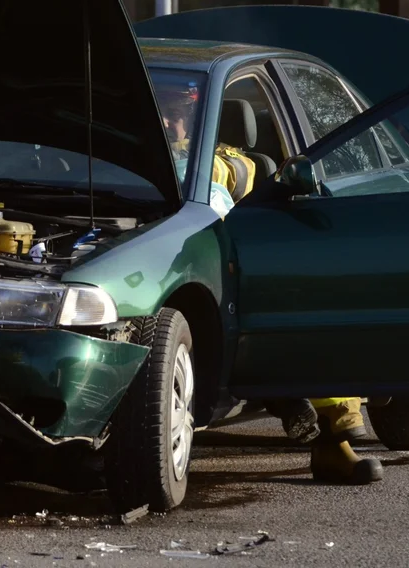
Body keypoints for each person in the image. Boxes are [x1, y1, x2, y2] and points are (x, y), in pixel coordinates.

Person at [157, 85, 382, 484]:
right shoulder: (118, 159)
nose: (171, 123)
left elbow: (235, 192)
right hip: (181, 272)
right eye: (164, 113)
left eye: (179, 114)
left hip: (234, 273)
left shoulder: (219, 162)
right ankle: (293, 403)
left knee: (306, 311)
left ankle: (334, 437)